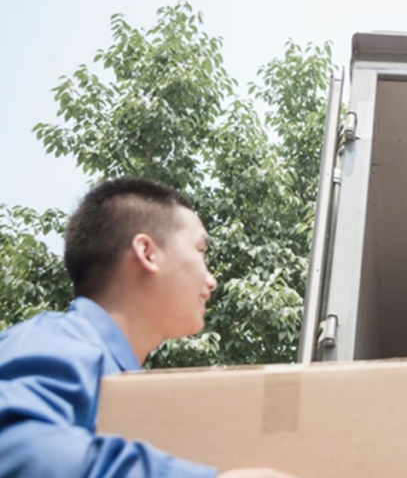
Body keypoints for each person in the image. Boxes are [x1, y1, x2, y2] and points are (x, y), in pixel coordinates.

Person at [0, 177, 297, 478]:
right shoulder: (60, 339)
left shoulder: (118, 378)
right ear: (147, 252)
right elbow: (15, 447)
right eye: (200, 252)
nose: (211, 280)